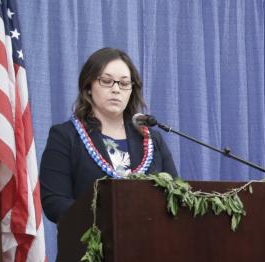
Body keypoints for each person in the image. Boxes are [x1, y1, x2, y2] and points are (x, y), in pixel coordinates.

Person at [39, 48, 178, 223]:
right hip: (89, 245)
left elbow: (175, 194)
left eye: (124, 83)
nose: (116, 89)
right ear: (88, 86)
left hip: (148, 245)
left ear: (131, 90)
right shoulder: (65, 136)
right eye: (106, 81)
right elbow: (54, 202)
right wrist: (106, 219)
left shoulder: (151, 140)